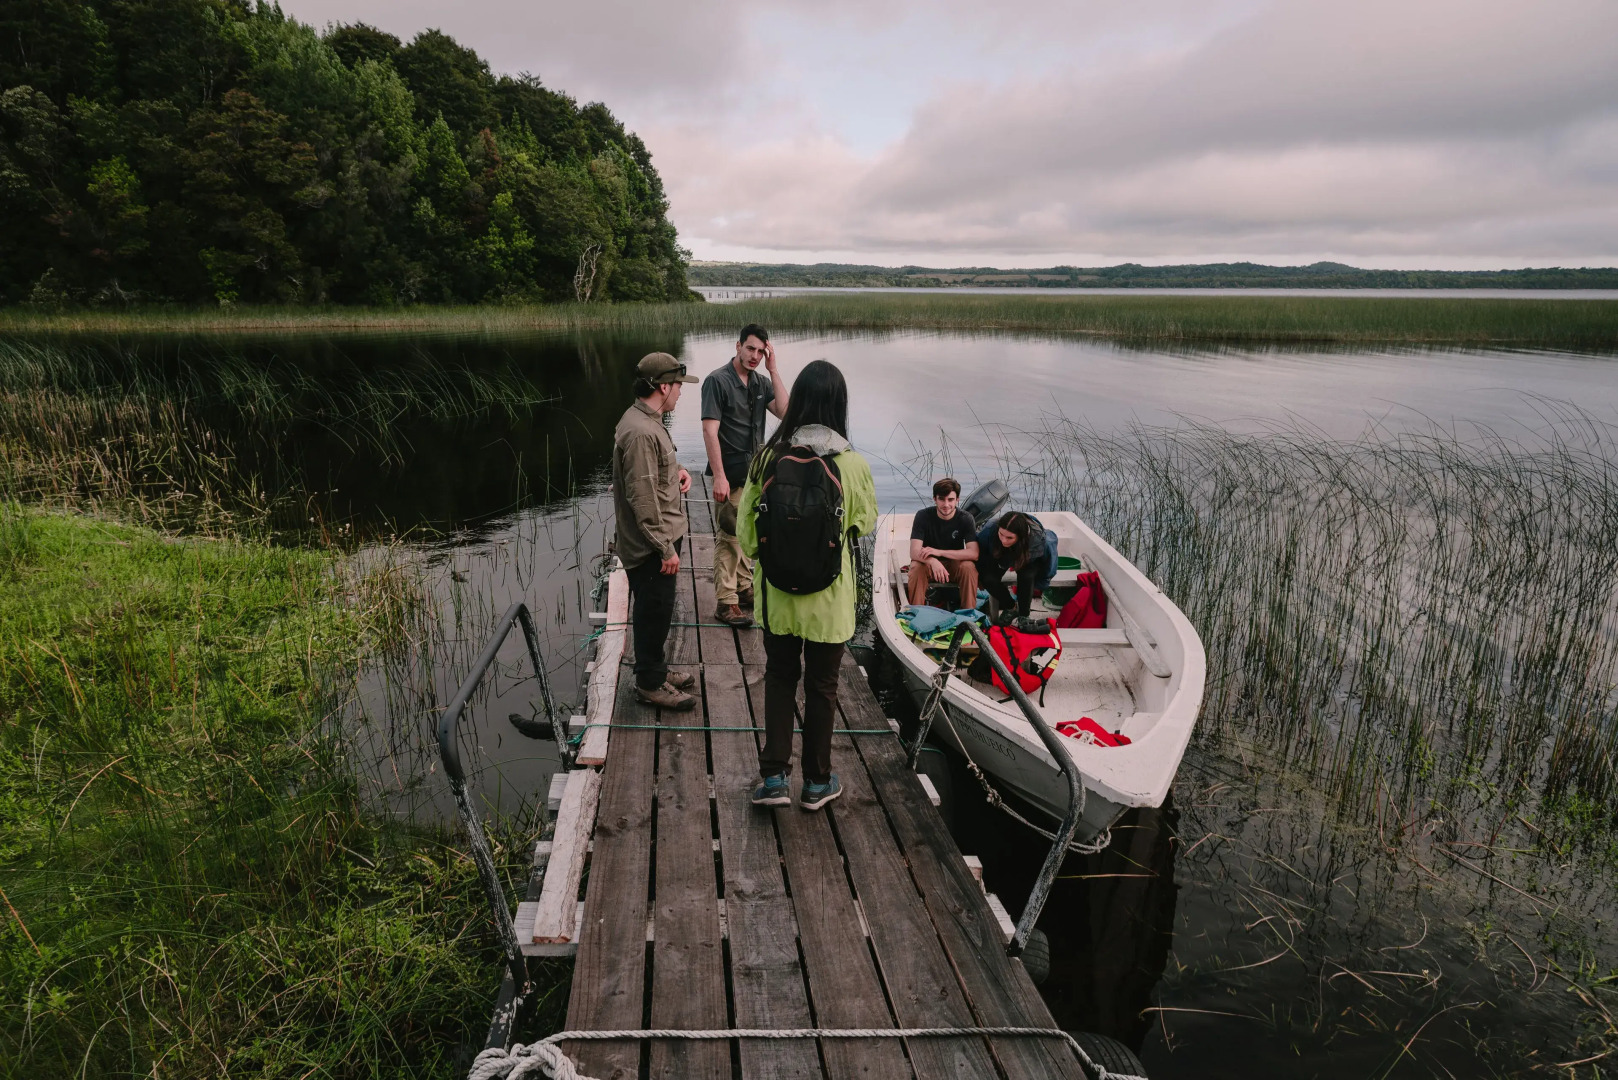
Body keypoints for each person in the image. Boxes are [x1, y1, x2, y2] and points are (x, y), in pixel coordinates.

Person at [736, 360, 876, 811]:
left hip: (777, 599)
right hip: (829, 602)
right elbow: (863, 524)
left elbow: (747, 539)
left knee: (778, 679)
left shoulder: (766, 458)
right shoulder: (852, 465)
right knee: (822, 687)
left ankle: (774, 778)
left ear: (795, 401)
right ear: (839, 404)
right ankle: (817, 783)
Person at [612, 352, 698, 710]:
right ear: (663, 386)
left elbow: (653, 471)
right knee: (652, 612)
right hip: (651, 548)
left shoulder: (645, 419)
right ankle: (649, 684)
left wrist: (676, 470)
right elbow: (643, 500)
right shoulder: (641, 431)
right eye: (678, 385)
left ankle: (656, 669)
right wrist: (666, 549)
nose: (680, 392)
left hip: (656, 541)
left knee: (658, 610)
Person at [702, 324, 788, 628]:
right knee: (728, 536)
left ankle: (742, 587)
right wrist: (719, 477)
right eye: (750, 348)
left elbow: (786, 412)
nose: (754, 356)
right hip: (730, 473)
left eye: (760, 351)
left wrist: (774, 369)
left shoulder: (761, 383)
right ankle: (726, 602)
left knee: (746, 534)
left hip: (755, 474)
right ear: (738, 346)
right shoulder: (717, 381)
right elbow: (710, 430)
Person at [907, 478, 980, 609]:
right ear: (935, 499)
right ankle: (916, 613)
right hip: (928, 565)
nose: (946, 504)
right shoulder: (923, 516)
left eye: (950, 500)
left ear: (957, 499)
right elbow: (914, 552)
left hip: (953, 565)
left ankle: (969, 614)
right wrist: (933, 561)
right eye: (941, 499)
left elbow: (973, 553)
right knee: (916, 567)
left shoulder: (966, 518)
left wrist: (939, 552)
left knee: (969, 567)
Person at [976, 511, 1060, 621]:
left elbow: (1050, 564)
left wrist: (1041, 584)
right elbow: (980, 554)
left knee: (1027, 576)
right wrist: (979, 576)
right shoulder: (989, 530)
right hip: (1001, 555)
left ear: (1021, 536)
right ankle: (1011, 607)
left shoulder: (1040, 540)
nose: (1004, 540)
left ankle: (1024, 615)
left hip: (1027, 557)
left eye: (1009, 538)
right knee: (988, 579)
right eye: (1001, 534)